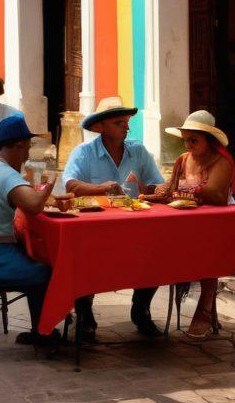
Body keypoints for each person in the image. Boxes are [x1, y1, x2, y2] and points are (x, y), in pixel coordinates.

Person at [63, 96, 164, 338]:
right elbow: (70, 184)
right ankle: (85, 313)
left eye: (127, 122)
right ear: (100, 127)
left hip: (134, 226)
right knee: (83, 257)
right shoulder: (84, 152)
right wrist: (102, 188)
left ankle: (141, 310)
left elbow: (156, 185)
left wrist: (157, 190)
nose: (127, 127)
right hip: (96, 230)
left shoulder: (138, 151)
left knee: (158, 251)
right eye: (120, 123)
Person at [0, 114, 57, 346]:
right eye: (26, 148)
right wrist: (47, 184)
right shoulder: (5, 174)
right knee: (50, 271)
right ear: (17, 146)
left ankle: (40, 328)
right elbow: (34, 205)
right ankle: (44, 332)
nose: (27, 155)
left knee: (34, 255)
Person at [150, 110, 235, 338]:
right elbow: (171, 188)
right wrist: (161, 191)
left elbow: (217, 195)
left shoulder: (222, 162)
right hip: (187, 222)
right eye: (185, 140)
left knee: (206, 247)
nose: (187, 145)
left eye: (193, 140)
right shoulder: (183, 160)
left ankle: (205, 307)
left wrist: (182, 190)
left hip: (219, 225)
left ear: (210, 141)